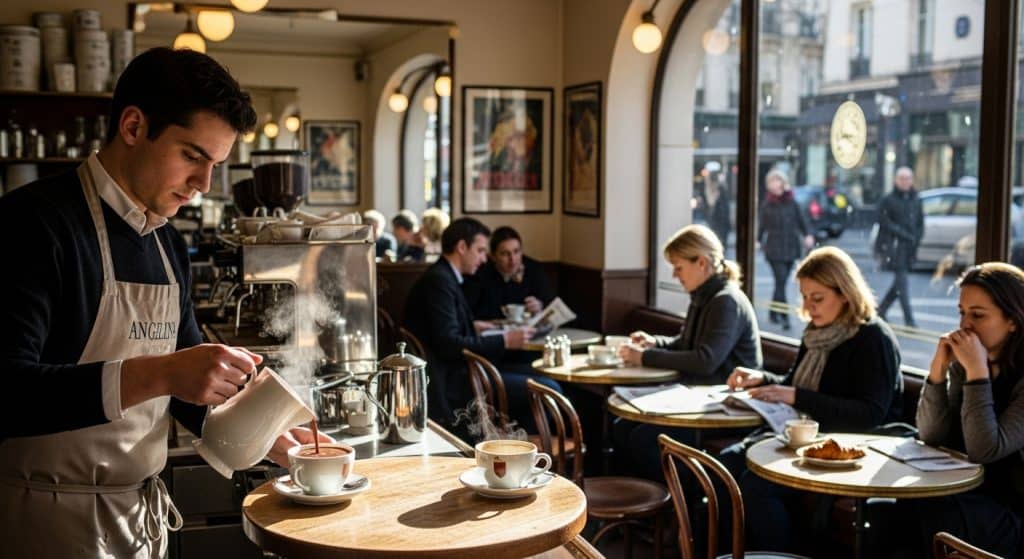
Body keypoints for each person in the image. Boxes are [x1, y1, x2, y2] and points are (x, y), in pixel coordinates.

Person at [0, 48, 328, 557]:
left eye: (215, 165)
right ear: (133, 126)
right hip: (44, 520)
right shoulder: (34, 223)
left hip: (140, 520)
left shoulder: (167, 243)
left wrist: (270, 440)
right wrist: (160, 373)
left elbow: (189, 391)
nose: (204, 185)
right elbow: (7, 392)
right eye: (193, 157)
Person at [724, 246, 903, 555]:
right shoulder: (817, 332)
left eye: (816, 298)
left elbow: (870, 414)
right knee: (724, 464)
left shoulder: (873, 338)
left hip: (851, 451)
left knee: (756, 487)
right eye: (804, 297)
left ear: (845, 294)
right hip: (805, 439)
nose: (808, 307)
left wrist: (797, 395)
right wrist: (762, 379)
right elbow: (795, 383)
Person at [614, 224, 761, 480]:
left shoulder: (726, 300)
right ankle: (651, 506)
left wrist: (644, 357)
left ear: (701, 262)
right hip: (698, 398)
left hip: (723, 406)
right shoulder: (703, 295)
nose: (674, 274)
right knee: (622, 427)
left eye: (678, 267)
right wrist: (654, 343)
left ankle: (677, 506)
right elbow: (686, 342)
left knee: (642, 439)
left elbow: (705, 361)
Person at [403, 218, 560, 434]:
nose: (484, 259)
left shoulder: (444, 276)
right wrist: (506, 340)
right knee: (549, 389)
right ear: (461, 247)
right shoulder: (439, 281)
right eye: (480, 251)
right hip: (454, 379)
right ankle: (523, 452)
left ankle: (518, 446)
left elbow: (446, 331)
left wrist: (476, 326)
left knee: (545, 377)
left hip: (464, 370)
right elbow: (449, 343)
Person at [912, 262, 1024, 558]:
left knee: (935, 514)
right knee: (897, 508)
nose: (964, 325)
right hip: (965, 493)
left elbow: (984, 449)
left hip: (1011, 510)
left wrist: (977, 372)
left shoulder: (984, 367)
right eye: (962, 313)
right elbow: (931, 434)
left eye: (977, 315)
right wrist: (937, 371)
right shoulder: (970, 360)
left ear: (1013, 320)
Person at [758, 169, 813, 330]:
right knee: (781, 281)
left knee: (780, 283)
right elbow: (761, 225)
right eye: (771, 181)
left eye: (777, 180)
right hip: (774, 249)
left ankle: (773, 312)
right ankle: (785, 317)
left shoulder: (792, 202)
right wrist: (758, 239)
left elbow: (801, 220)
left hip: (790, 247)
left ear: (783, 182)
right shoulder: (767, 204)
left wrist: (808, 234)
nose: (775, 184)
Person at [463, 226, 555, 320]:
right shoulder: (479, 272)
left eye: (516, 251)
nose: (512, 259)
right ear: (493, 256)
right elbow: (470, 311)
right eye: (505, 254)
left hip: (529, 330)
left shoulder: (535, 269)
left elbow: (551, 306)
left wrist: (540, 306)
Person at [875, 166, 924, 328]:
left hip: (909, 247)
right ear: (896, 180)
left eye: (908, 178)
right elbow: (883, 222)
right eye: (902, 178)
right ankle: (909, 319)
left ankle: (880, 310)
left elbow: (919, 223)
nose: (905, 182)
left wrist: (916, 239)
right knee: (902, 282)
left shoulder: (916, 199)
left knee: (898, 285)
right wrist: (901, 234)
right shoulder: (888, 200)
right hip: (894, 248)